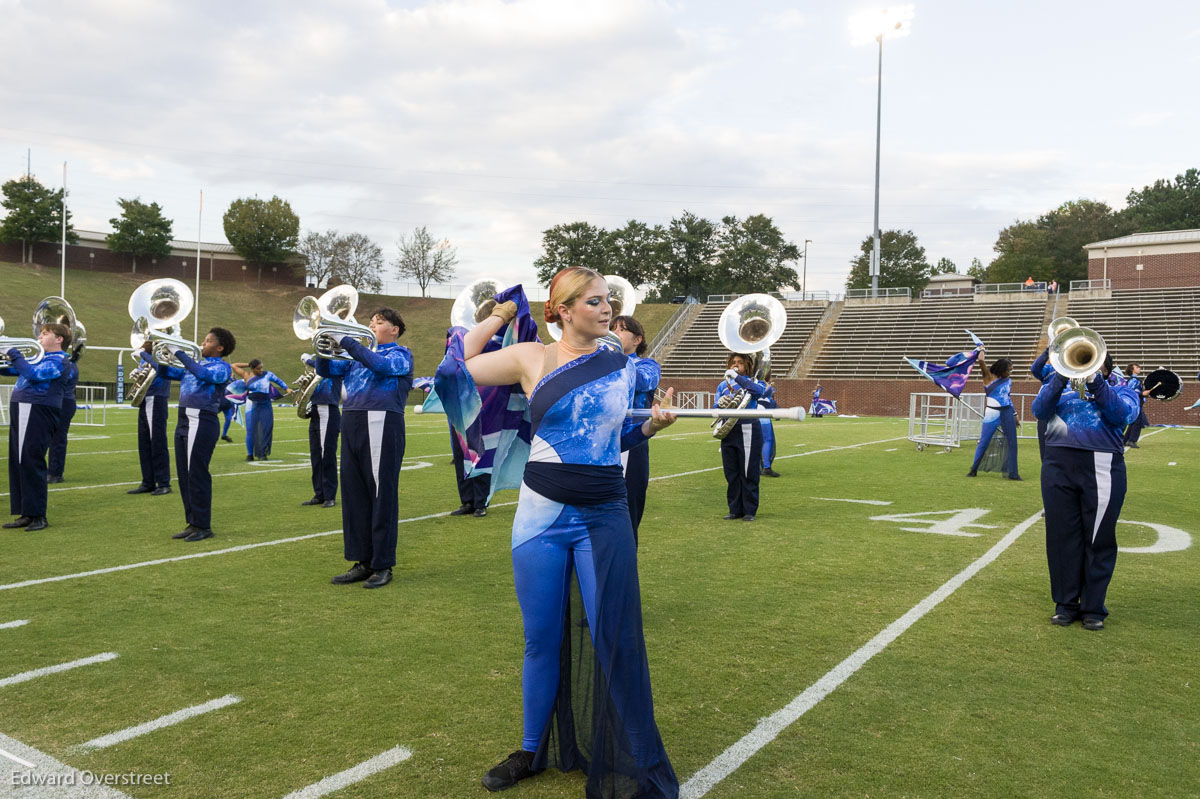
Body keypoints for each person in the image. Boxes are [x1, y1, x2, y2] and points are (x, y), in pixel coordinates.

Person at [455, 267, 678, 797]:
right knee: (541, 640)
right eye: (596, 302)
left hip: (604, 515)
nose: (608, 310)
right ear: (563, 309)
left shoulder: (620, 364)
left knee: (614, 638)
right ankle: (532, 750)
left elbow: (612, 442)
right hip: (541, 517)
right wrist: (502, 314)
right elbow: (462, 366)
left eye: (608, 301)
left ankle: (638, 757)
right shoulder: (530, 357)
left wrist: (648, 427)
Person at [1033, 353, 1139, 631]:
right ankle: (1065, 604)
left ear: (1104, 366)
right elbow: (1040, 411)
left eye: (1094, 362)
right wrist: (1059, 376)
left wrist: (1094, 382)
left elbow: (1122, 415)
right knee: (1061, 537)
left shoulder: (1123, 389)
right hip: (1058, 464)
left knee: (1098, 538)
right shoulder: (1058, 386)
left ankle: (1093, 607)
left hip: (1102, 465)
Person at [318, 308, 413, 590]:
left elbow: (381, 367)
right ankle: (362, 561)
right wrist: (323, 348)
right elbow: (326, 371)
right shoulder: (354, 356)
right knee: (354, 494)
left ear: (394, 329)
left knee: (381, 494)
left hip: (382, 421)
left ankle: (382, 564)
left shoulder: (400, 354)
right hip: (352, 420)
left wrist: (347, 341)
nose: (372, 325)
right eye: (371, 321)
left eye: (379, 322)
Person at [153, 327, 236, 542]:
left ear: (220, 347)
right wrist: (159, 353)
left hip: (202, 419)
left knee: (196, 473)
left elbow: (203, 374)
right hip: (184, 419)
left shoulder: (222, 368)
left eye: (208, 341)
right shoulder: (193, 365)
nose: (203, 343)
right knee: (184, 474)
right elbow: (165, 373)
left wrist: (178, 352)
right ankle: (192, 521)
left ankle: (203, 525)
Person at [3, 323, 70, 531]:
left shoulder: (60, 360)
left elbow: (33, 375)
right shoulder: (39, 357)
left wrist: (12, 351)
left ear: (59, 339)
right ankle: (26, 512)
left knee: (31, 460)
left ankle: (38, 515)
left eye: (45, 333)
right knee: (19, 461)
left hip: (37, 409)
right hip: (23, 406)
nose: (39, 336)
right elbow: (15, 370)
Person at [611, 314, 662, 540]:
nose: (613, 333)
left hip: (632, 443)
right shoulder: (599, 362)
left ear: (637, 339)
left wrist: (612, 359)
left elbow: (642, 381)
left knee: (627, 513)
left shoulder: (647, 365)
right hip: (600, 443)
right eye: (611, 328)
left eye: (620, 330)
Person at [715, 352, 767, 521]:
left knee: (748, 471)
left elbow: (759, 392)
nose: (735, 365)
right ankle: (735, 509)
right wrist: (721, 404)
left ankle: (749, 510)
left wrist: (737, 377)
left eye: (740, 363)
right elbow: (716, 405)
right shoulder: (723, 385)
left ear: (747, 365)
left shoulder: (752, 382)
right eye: (733, 363)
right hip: (729, 429)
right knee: (731, 472)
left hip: (748, 428)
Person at [299, 353, 349, 508]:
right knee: (315, 454)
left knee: (327, 454)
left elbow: (323, 367)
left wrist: (308, 360)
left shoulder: (336, 365)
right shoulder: (319, 369)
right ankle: (319, 493)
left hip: (328, 410)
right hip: (316, 410)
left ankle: (330, 495)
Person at [966, 354, 1021, 480]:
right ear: (1001, 369)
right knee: (984, 442)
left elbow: (1008, 398)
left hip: (1007, 412)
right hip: (992, 413)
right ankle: (973, 469)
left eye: (1011, 369)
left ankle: (1013, 473)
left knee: (1012, 443)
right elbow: (982, 365)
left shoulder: (1008, 381)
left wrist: (1015, 414)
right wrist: (981, 358)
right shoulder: (988, 378)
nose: (1010, 372)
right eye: (1008, 370)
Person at [128, 350, 173, 496]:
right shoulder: (146, 356)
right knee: (144, 443)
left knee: (157, 442)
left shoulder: (162, 353)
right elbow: (145, 373)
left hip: (157, 397)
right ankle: (148, 481)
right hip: (145, 398)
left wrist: (145, 354)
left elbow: (160, 368)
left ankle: (164, 483)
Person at [232, 359, 289, 461]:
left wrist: (287, 388)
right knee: (250, 430)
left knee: (266, 429)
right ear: (252, 369)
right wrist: (248, 364)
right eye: (258, 368)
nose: (261, 370)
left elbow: (278, 381)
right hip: (252, 405)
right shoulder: (246, 376)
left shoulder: (267, 375)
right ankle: (250, 455)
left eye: (262, 367)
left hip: (265, 405)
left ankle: (263, 454)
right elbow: (234, 365)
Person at [46, 348, 80, 484]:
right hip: (59, 401)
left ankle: (55, 473)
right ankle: (51, 471)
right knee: (51, 438)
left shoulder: (68, 363)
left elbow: (59, 377)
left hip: (64, 402)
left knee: (58, 438)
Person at [1123, 363, 1150, 448]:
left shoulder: (1136, 380)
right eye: (1137, 367)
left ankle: (1126, 440)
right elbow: (1131, 391)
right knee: (1138, 422)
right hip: (1135, 404)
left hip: (1136, 403)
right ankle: (1132, 440)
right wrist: (1142, 393)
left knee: (1134, 422)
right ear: (1132, 370)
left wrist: (1144, 394)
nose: (1139, 368)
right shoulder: (1133, 380)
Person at [759, 381, 780, 477]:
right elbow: (767, 392)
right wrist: (769, 386)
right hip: (761, 414)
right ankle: (766, 467)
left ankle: (756, 466)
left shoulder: (752, 382)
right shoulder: (762, 386)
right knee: (767, 440)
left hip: (751, 413)